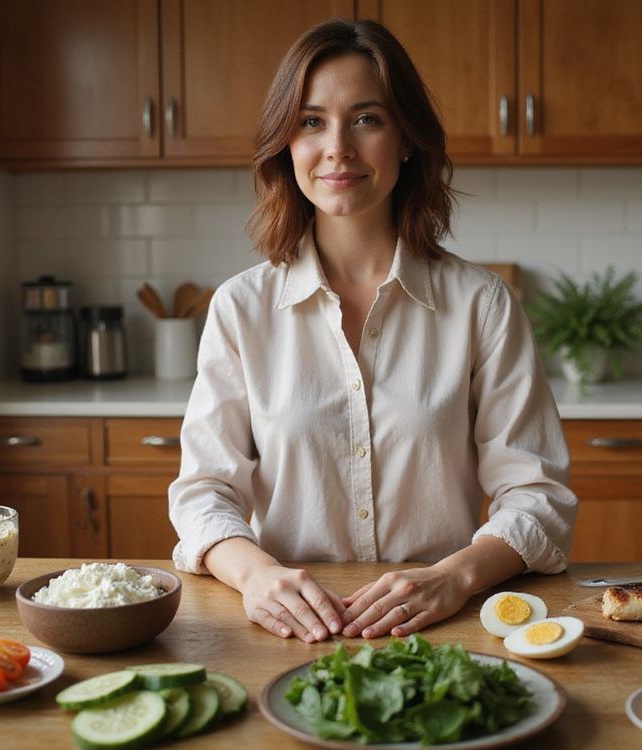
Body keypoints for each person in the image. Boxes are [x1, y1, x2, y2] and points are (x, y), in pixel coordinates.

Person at [167, 18, 576, 644]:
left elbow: (537, 495)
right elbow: (204, 493)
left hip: (443, 627)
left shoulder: (483, 305)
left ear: (406, 139)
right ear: (286, 143)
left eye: (367, 119)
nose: (338, 147)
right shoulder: (239, 309)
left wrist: (455, 578)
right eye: (310, 121)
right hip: (287, 631)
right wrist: (256, 576)